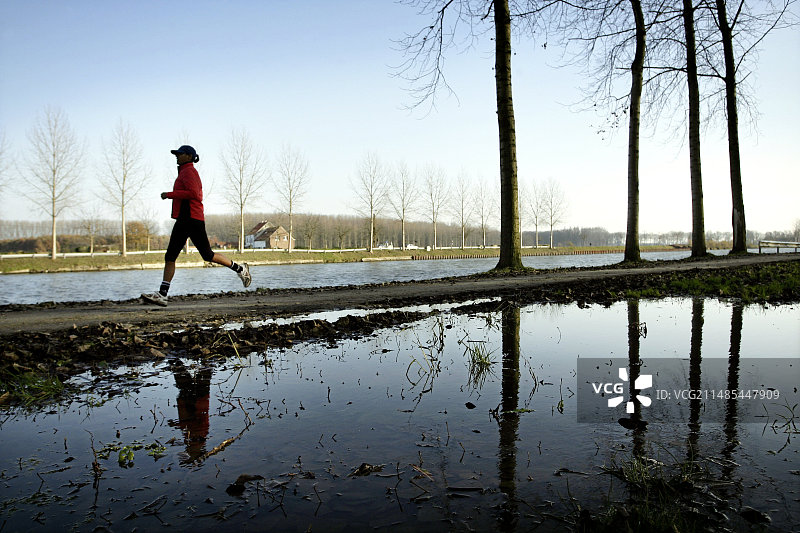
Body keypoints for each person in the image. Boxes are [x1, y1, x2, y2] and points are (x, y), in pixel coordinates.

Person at [141, 145, 250, 307]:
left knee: (207, 255)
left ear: (189, 156)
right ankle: (162, 294)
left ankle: (240, 269)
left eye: (179, 154)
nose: (176, 156)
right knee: (170, 256)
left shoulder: (190, 172)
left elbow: (195, 195)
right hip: (184, 219)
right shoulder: (184, 171)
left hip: (192, 218)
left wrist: (169, 195)